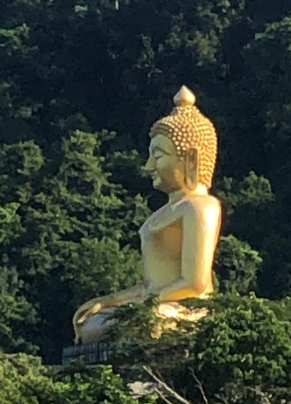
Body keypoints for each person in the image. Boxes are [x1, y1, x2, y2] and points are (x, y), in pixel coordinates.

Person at [73, 86, 222, 343]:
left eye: (158, 156)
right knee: (92, 322)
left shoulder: (201, 207)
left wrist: (143, 305)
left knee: (149, 320)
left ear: (191, 159)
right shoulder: (160, 214)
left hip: (187, 310)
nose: (148, 166)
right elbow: (149, 286)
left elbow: (195, 284)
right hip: (156, 302)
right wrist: (108, 301)